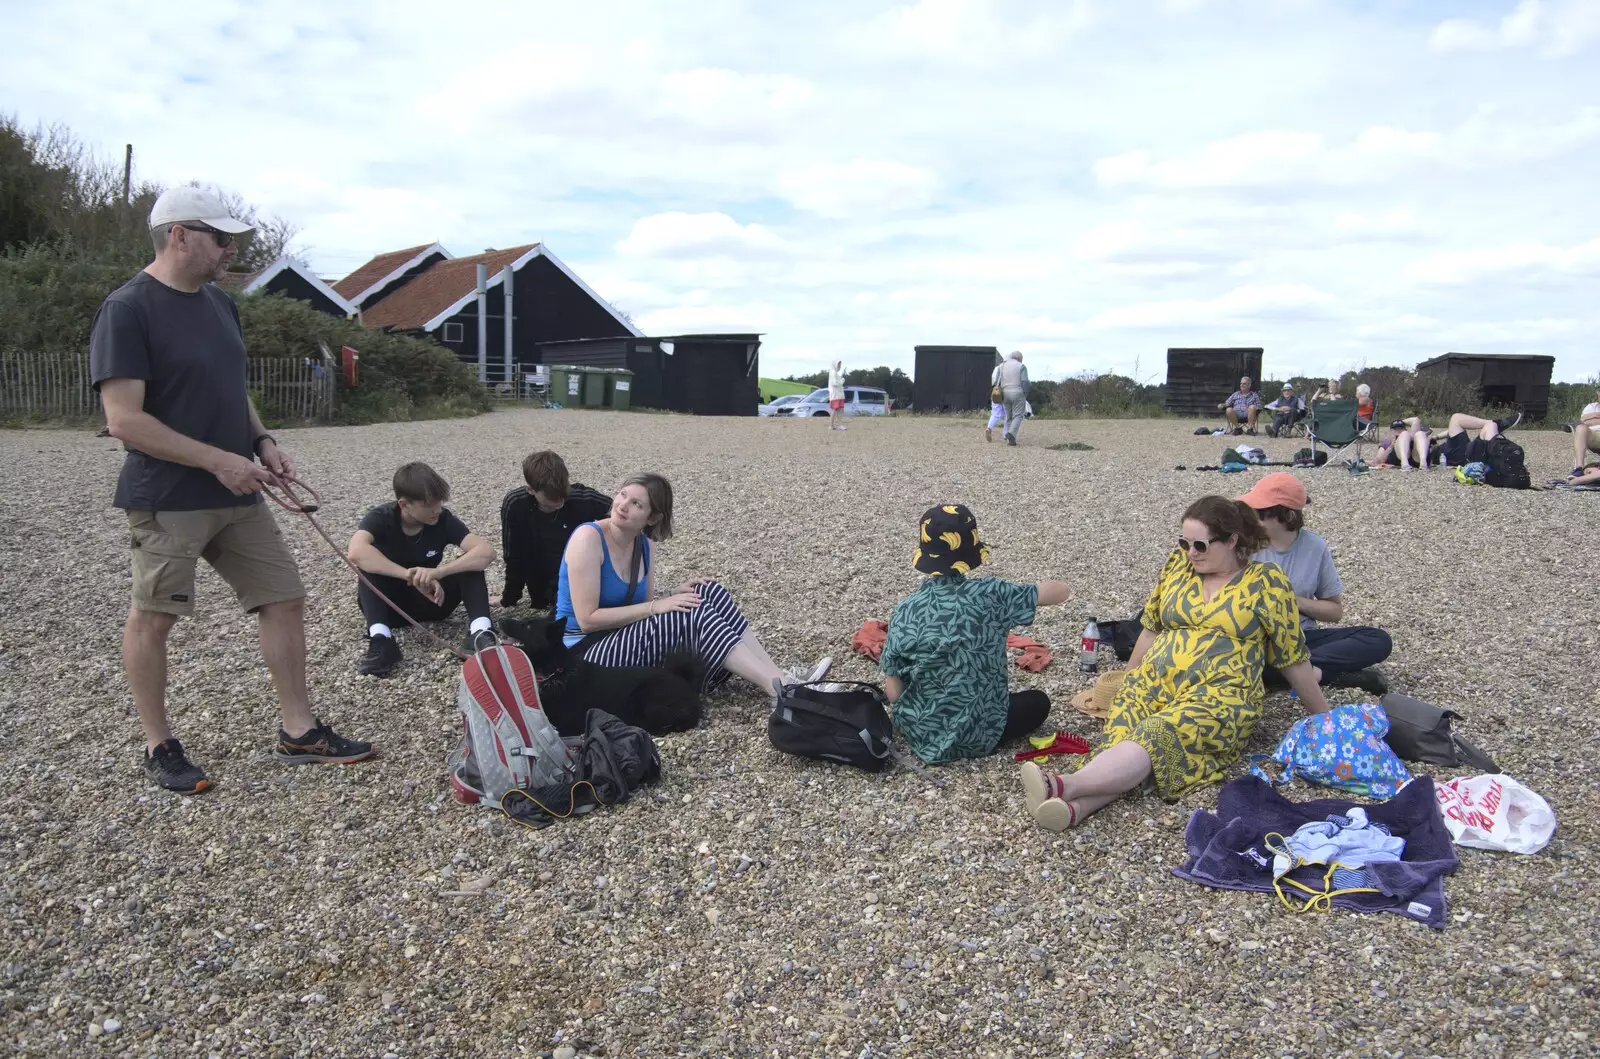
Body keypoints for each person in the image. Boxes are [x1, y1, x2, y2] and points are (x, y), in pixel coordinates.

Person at [90, 185, 374, 794]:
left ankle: (299, 731)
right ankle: (158, 744)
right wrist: (220, 460)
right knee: (154, 618)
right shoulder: (128, 308)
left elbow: (230, 387)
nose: (229, 249)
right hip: (168, 495)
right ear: (178, 234)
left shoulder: (221, 305)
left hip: (238, 489)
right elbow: (124, 420)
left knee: (284, 599)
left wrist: (262, 440)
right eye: (219, 238)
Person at [1020, 495, 1331, 831]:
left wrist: (1327, 720)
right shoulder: (1178, 566)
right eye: (1184, 542)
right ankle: (1076, 809)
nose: (1190, 552)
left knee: (1155, 733)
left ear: (1232, 540)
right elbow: (1151, 627)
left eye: (1200, 545)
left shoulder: (1266, 583)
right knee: (1124, 737)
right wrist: (1128, 677)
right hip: (1153, 683)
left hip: (1220, 695)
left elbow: (1292, 658)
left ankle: (1064, 786)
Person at [555, 473, 831, 694]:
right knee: (689, 615)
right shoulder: (589, 538)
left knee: (707, 591)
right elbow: (587, 619)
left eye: (637, 504)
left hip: (617, 637)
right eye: (623, 495)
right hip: (582, 653)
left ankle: (779, 675)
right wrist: (659, 606)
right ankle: (778, 689)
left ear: (653, 518)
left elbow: (641, 607)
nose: (623, 506)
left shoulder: (644, 544)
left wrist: (672, 597)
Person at [878, 504, 1071, 764]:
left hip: (920, 731)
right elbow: (1061, 591)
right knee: (1038, 702)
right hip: (979, 732)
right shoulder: (991, 594)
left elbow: (893, 691)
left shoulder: (904, 610)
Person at [1239, 473, 1391, 694]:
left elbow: (1334, 611)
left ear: (1288, 516)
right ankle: (1329, 674)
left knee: (1378, 639)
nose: (1251, 520)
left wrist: (1291, 600)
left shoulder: (1314, 547)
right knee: (1244, 659)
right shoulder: (1243, 546)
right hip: (1257, 640)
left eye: (1259, 514)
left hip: (1303, 638)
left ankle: (1310, 674)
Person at [348, 462, 498, 677]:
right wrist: (408, 574)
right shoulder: (380, 518)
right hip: (390, 608)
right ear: (404, 504)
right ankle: (381, 641)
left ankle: (480, 631)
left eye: (439, 502)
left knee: (471, 563)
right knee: (368, 567)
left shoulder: (443, 520)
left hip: (434, 601)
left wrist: (438, 572)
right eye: (428, 504)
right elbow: (356, 551)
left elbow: (486, 552)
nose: (436, 509)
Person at [495, 450, 610, 611]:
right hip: (540, 582)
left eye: (563, 494)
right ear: (531, 490)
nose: (560, 501)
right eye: (552, 497)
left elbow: (621, 516)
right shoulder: (516, 504)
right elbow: (514, 556)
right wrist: (508, 599)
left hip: (579, 576)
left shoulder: (583, 499)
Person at [1435, 410, 1523, 467]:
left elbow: (1450, 431)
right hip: (1456, 456)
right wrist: (1423, 463)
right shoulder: (1421, 437)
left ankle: (1499, 458)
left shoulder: (1429, 438)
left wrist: (1436, 437)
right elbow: (1421, 437)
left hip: (1466, 454)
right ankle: (1499, 423)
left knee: (1491, 426)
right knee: (1456, 418)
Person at [1566, 384, 1600, 479]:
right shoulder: (1591, 407)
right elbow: (1584, 422)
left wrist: (1594, 416)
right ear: (1598, 394)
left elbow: (1589, 420)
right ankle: (1579, 469)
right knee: (1581, 428)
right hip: (1593, 436)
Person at [996, 350, 1029, 445]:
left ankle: (1011, 439)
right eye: (1021, 359)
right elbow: (1025, 381)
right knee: (1018, 415)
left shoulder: (1001, 366)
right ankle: (1011, 434)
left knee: (1009, 416)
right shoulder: (1021, 366)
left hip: (1005, 393)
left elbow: (996, 382)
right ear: (1018, 358)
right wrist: (1025, 393)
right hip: (1018, 392)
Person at [827, 360, 846, 431]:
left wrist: (840, 381)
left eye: (840, 365)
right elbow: (834, 383)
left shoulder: (834, 373)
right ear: (835, 365)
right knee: (835, 410)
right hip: (835, 395)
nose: (839, 367)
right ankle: (832, 426)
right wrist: (842, 381)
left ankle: (837, 425)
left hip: (838, 395)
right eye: (838, 365)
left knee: (838, 410)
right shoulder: (833, 373)